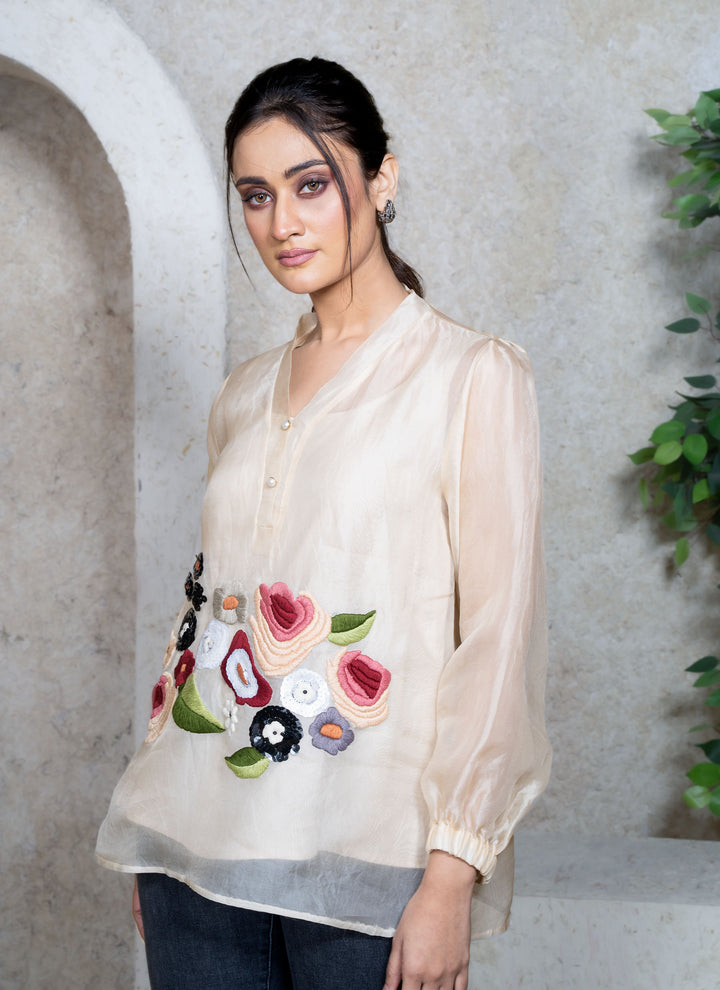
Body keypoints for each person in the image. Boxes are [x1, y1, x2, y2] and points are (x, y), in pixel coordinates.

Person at [96, 56, 551, 990]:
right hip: (195, 859)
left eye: (311, 184)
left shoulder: (471, 380)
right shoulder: (245, 394)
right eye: (255, 196)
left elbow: (500, 643)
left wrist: (451, 879)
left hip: (369, 869)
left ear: (381, 179)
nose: (282, 222)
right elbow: (205, 620)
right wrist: (157, 823)